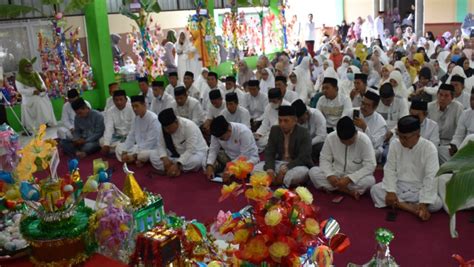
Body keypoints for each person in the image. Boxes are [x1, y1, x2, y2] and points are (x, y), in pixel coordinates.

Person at [370, 115, 442, 221]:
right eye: (399, 136)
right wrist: (391, 191)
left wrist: (424, 203)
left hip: (418, 189)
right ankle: (411, 208)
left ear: (417, 135)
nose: (402, 140)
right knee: (375, 190)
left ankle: (400, 204)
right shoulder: (395, 144)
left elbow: (431, 177)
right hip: (399, 186)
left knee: (437, 203)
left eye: (405, 137)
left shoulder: (429, 148)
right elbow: (390, 169)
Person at [309, 116, 376, 198]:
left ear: (356, 133)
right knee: (313, 172)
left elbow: (370, 165)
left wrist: (349, 178)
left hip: (354, 177)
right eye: (344, 142)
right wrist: (330, 175)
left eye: (351, 141)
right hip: (336, 174)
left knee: (369, 181)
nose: (348, 143)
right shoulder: (331, 138)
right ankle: (347, 191)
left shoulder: (364, 140)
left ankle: (335, 188)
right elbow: (324, 159)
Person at [254, 105, 313, 187]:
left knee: (296, 174)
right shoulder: (275, 130)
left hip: (296, 165)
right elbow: (269, 152)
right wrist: (270, 169)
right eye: (280, 120)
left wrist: (287, 168)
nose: (282, 124)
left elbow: (304, 157)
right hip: (279, 163)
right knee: (255, 169)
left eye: (286, 121)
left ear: (295, 121)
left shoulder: (304, 133)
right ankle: (278, 180)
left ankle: (277, 181)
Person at [150, 108, 208, 176]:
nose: (167, 131)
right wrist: (165, 159)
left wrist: (178, 164)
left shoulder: (189, 126)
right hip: (174, 154)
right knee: (153, 155)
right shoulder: (163, 128)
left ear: (176, 121)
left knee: (196, 162)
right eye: (165, 128)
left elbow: (190, 150)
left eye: (169, 128)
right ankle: (173, 167)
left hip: (194, 153)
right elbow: (161, 145)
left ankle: (174, 167)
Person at [205, 116, 259, 181]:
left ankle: (227, 172)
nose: (220, 140)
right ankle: (223, 171)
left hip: (248, 159)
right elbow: (213, 150)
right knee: (207, 159)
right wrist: (209, 165)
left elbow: (245, 155)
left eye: (222, 138)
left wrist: (231, 166)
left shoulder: (243, 132)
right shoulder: (217, 133)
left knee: (247, 170)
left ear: (229, 130)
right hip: (228, 157)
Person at [115, 95, 161, 166]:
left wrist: (134, 155)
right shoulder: (136, 118)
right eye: (133, 107)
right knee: (119, 147)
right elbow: (131, 136)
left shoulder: (153, 119)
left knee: (142, 155)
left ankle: (135, 159)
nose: (134, 109)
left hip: (152, 148)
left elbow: (151, 142)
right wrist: (124, 151)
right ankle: (133, 159)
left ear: (144, 105)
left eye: (136, 106)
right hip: (139, 147)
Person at [15, 58, 57, 133]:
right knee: (37, 102)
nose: (29, 68)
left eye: (30, 66)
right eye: (27, 66)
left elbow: (41, 82)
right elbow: (20, 90)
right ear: (22, 67)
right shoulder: (19, 77)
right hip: (29, 97)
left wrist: (43, 88)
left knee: (46, 101)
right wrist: (33, 91)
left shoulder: (35, 73)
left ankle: (46, 122)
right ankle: (39, 125)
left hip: (40, 93)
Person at [428, 83, 464, 164]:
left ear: (452, 97)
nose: (442, 98)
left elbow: (460, 130)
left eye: (446, 96)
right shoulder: (430, 107)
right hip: (431, 143)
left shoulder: (458, 108)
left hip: (449, 145)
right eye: (440, 95)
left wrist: (455, 145)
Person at [353, 91, 388, 161]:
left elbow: (375, 145)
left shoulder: (381, 123)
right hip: (351, 145)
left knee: (376, 152)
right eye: (362, 103)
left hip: (368, 150)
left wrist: (365, 128)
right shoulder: (352, 112)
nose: (363, 107)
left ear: (375, 107)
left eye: (367, 105)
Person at [100, 90, 134, 155]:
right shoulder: (110, 111)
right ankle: (123, 150)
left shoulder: (132, 108)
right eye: (116, 100)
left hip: (131, 137)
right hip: (118, 137)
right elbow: (109, 128)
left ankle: (119, 150)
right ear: (113, 101)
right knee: (102, 141)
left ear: (126, 100)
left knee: (134, 143)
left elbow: (135, 128)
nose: (119, 102)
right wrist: (106, 144)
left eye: (121, 99)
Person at [450, 88, 474, 154]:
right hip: (466, 147)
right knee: (441, 150)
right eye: (471, 99)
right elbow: (458, 135)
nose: (472, 102)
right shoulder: (466, 113)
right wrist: (454, 146)